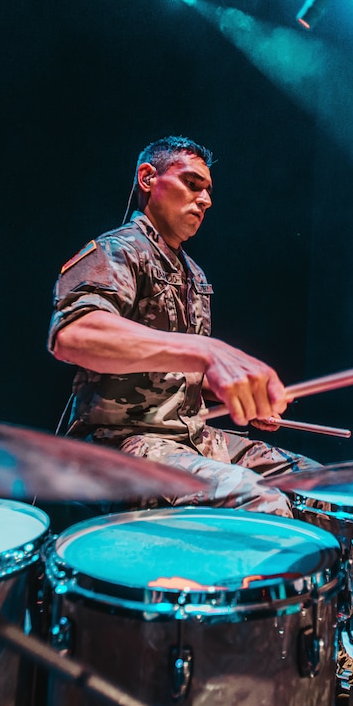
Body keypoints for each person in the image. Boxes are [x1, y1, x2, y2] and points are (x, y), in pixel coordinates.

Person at [47, 135, 319, 519]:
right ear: (147, 178)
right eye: (192, 184)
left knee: (319, 485)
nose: (205, 200)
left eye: (207, 191)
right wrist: (209, 351)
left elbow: (180, 373)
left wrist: (237, 391)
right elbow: (73, 335)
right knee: (259, 499)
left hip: (192, 437)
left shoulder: (194, 274)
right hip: (122, 444)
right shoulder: (117, 251)